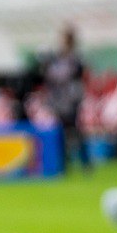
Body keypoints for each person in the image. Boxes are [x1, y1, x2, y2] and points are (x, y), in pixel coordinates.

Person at [40, 25, 89, 172]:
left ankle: (84, 163)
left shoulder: (75, 58)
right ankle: (63, 163)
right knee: (60, 132)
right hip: (59, 101)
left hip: (71, 100)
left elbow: (67, 75)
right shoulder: (58, 57)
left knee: (74, 131)